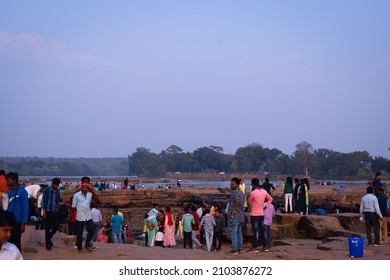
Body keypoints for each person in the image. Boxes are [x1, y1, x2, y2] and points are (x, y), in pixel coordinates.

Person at [248, 178, 273, 253]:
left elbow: (249, 201)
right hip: (262, 213)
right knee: (263, 230)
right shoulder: (264, 191)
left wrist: (253, 205)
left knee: (255, 231)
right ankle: (266, 246)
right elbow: (270, 199)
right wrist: (265, 207)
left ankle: (255, 247)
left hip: (254, 213)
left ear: (253, 184)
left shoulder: (253, 193)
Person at [6, 172, 29, 252]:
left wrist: (23, 223)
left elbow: (25, 208)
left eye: (8, 180)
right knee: (9, 242)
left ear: (14, 180)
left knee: (16, 243)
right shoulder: (10, 192)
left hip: (18, 222)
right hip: (9, 221)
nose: (6, 182)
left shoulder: (23, 192)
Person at [72, 180, 95, 253]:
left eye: (86, 187)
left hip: (88, 215)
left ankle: (87, 244)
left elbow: (90, 203)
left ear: (88, 188)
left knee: (91, 230)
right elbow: (74, 206)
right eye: (83, 187)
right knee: (79, 232)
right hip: (80, 216)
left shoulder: (90, 195)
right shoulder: (76, 195)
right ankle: (79, 247)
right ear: (81, 187)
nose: (85, 189)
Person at [41, 177, 61, 250]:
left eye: (57, 186)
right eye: (55, 185)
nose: (56, 187)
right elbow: (43, 201)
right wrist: (44, 211)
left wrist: (57, 208)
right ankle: (48, 244)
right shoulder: (46, 190)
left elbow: (58, 200)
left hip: (54, 211)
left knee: (55, 227)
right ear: (52, 184)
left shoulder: (58, 191)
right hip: (47, 211)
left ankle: (48, 238)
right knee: (47, 228)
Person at [227, 177, 245, 255]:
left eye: (233, 184)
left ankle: (235, 249)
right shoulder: (241, 192)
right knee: (239, 232)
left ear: (237, 185)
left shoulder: (235, 192)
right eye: (231, 184)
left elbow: (237, 200)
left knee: (234, 233)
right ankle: (240, 248)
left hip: (235, 216)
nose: (231, 185)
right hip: (240, 216)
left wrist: (234, 210)